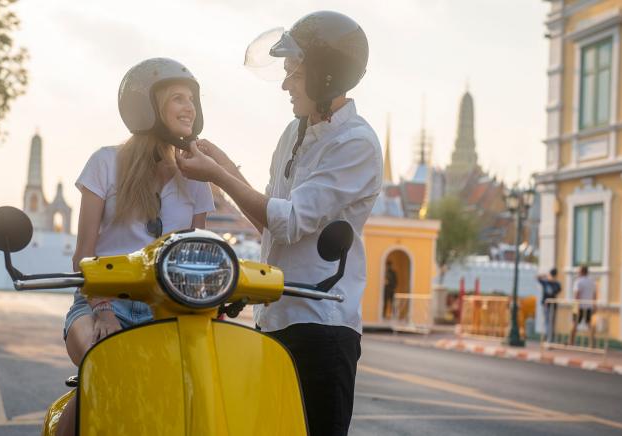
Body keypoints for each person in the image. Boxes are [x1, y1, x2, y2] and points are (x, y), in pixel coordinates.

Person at [176, 11, 380, 435]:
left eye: (295, 72)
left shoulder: (356, 142)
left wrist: (220, 175)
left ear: (324, 76)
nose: (286, 83)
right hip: (274, 319)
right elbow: (270, 224)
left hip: (322, 326)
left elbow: (290, 222)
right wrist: (225, 166)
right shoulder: (293, 133)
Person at [56, 58, 215, 436]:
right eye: (178, 97)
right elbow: (85, 255)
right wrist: (105, 310)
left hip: (168, 311)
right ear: (147, 106)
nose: (189, 106)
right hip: (99, 302)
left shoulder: (196, 178)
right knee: (103, 367)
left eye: (192, 98)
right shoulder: (105, 163)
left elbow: (199, 261)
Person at [570, 265, 597, 347]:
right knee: (589, 324)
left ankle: (571, 342)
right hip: (589, 306)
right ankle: (592, 343)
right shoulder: (592, 282)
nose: (577, 272)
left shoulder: (578, 281)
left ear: (581, 272)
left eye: (578, 271)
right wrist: (595, 305)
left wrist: (575, 306)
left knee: (574, 324)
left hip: (579, 306)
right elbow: (594, 294)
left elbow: (576, 295)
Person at [536, 268, 561, 342]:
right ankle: (548, 337)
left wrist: (549, 278)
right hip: (546, 305)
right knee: (547, 321)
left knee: (550, 322)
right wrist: (545, 275)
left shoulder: (556, 283)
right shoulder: (546, 282)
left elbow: (558, 290)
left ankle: (550, 338)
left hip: (552, 305)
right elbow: (537, 277)